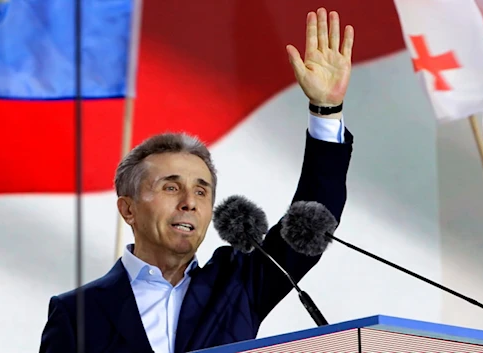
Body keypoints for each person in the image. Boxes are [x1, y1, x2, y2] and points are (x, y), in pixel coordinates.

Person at [39, 7, 355, 353]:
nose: (189, 201)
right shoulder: (76, 313)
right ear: (128, 209)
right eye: (171, 187)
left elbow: (311, 221)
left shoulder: (238, 285)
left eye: (202, 191)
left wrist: (326, 110)